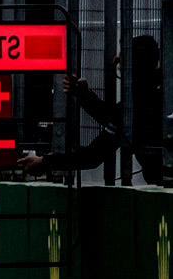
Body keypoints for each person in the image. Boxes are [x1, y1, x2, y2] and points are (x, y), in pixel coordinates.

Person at [19, 35, 164, 185]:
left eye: (123, 66)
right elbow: (114, 118)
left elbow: (91, 156)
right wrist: (86, 96)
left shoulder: (137, 105)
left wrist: (44, 162)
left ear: (132, 68)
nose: (119, 69)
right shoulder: (157, 93)